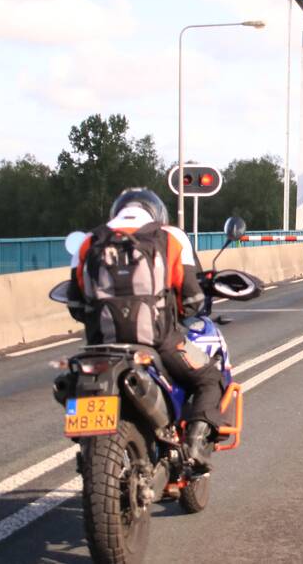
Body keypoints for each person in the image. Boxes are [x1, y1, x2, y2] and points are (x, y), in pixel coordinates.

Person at [66, 187, 222, 472]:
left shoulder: (88, 242)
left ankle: (88, 447)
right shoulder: (170, 237)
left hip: (100, 347)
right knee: (209, 377)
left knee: (72, 384)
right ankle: (195, 446)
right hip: (159, 342)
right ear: (157, 212)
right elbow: (192, 300)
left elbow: (75, 304)